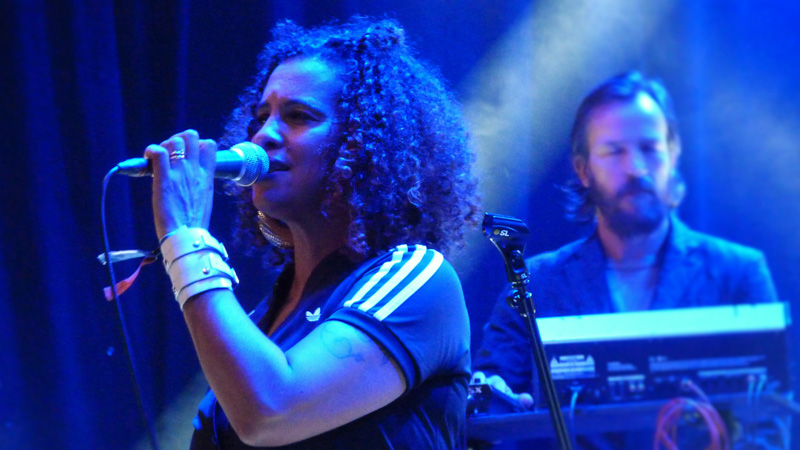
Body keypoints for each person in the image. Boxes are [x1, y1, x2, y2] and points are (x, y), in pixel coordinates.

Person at [142, 17, 479, 449]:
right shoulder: (261, 318)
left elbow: (271, 410)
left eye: (298, 116)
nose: (263, 136)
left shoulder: (418, 278)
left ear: (359, 143)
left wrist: (187, 238)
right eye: (261, 117)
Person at [471, 71, 783, 449]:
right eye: (615, 151)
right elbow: (487, 413)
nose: (636, 168)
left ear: (673, 157)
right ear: (583, 169)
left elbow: (771, 426)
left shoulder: (738, 272)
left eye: (650, 149)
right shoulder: (533, 283)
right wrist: (496, 399)